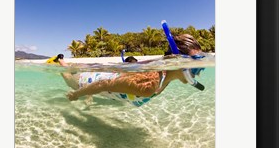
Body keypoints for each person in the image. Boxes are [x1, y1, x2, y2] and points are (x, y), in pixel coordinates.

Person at [56, 34, 204, 106]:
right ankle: (60, 61)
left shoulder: (167, 77)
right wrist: (76, 95)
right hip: (94, 82)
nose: (199, 72)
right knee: (70, 80)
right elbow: (104, 84)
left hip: (105, 83)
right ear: (175, 61)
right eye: (196, 67)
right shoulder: (149, 85)